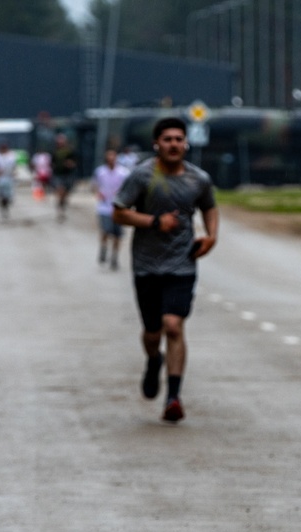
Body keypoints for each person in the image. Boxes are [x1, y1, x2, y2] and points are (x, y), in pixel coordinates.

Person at [113, 117, 218, 423]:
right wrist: (155, 222)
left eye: (178, 139)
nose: (174, 144)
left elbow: (210, 207)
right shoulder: (142, 176)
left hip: (182, 264)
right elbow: (119, 213)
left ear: (185, 143)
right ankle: (153, 359)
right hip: (146, 266)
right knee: (151, 332)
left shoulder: (198, 179)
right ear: (156, 144)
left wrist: (211, 237)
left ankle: (173, 396)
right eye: (168, 139)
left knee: (173, 325)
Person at [92, 147, 130, 269]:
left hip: (118, 207)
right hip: (104, 207)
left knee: (117, 235)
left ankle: (114, 257)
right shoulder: (100, 172)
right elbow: (95, 185)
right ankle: (103, 249)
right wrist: (99, 193)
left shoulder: (124, 173)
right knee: (105, 230)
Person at [50, 133, 78, 221]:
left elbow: (75, 162)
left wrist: (70, 164)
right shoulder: (54, 152)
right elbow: (52, 163)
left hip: (68, 175)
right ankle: (60, 208)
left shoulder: (70, 151)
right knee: (60, 191)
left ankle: (62, 205)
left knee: (65, 194)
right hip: (58, 175)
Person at [0, 142, 18, 219]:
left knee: (8, 195)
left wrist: (14, 173)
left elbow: (14, 166)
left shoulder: (11, 156)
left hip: (9, 177)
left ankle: (6, 206)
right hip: (0, 178)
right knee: (1, 195)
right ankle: (2, 208)